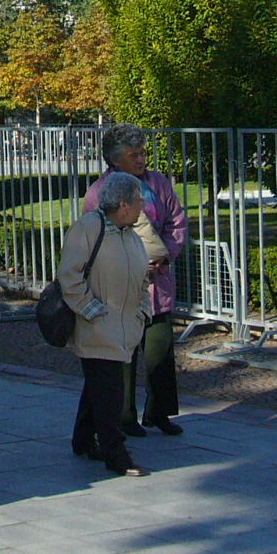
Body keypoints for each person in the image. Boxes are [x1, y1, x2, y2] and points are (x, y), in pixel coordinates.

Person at [82, 123, 187, 437]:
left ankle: (160, 412)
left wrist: (165, 254)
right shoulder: (99, 192)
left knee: (160, 350)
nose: (141, 159)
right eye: (134, 154)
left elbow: (177, 222)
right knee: (123, 353)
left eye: (143, 153)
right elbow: (96, 235)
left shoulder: (158, 183)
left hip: (158, 283)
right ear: (116, 160)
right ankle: (124, 415)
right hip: (122, 287)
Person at [60, 172, 151, 478]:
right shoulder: (88, 229)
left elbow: (142, 279)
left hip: (124, 325)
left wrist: (143, 311)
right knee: (110, 391)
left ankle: (83, 439)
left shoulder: (130, 233)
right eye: (139, 200)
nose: (143, 206)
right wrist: (92, 311)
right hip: (99, 325)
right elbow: (69, 275)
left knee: (100, 386)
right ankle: (116, 453)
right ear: (123, 203)